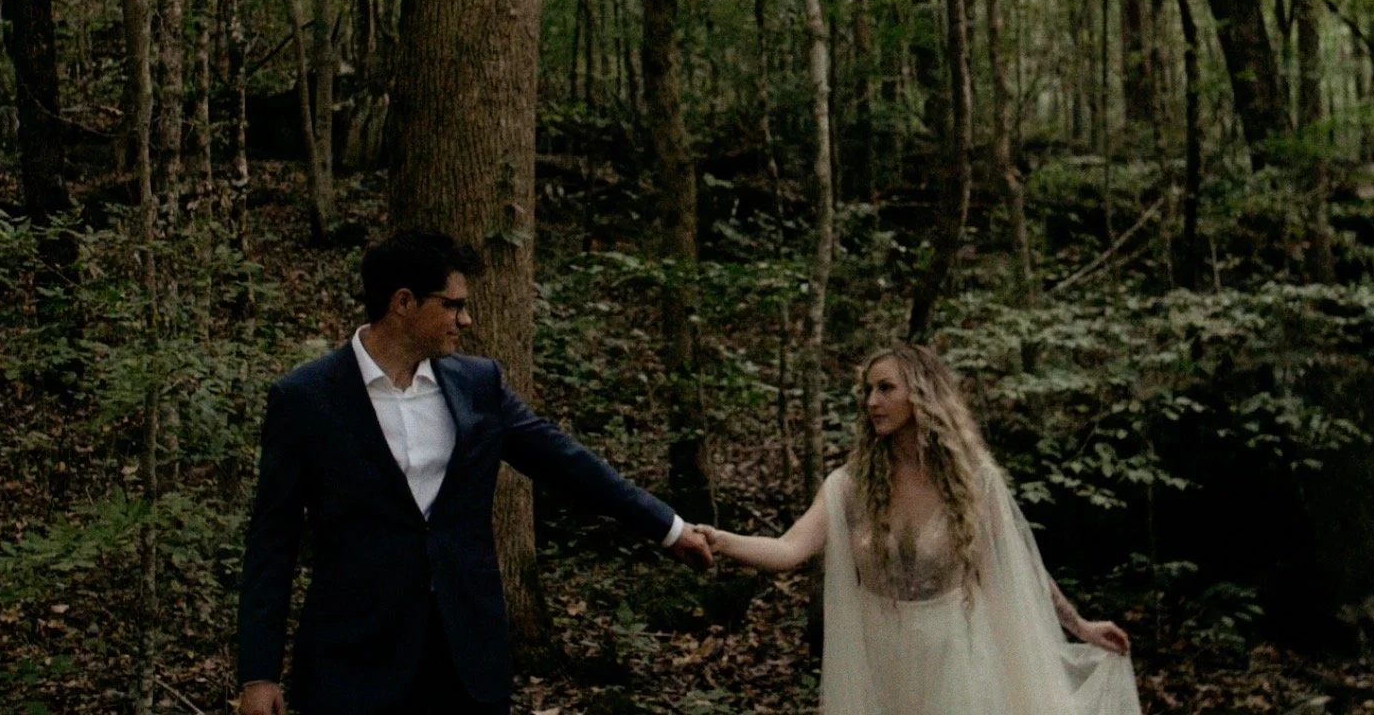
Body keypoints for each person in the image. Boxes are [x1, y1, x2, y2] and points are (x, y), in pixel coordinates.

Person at [237, 230, 714, 715]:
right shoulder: (305, 398)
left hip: (467, 659)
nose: (465, 319)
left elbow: (566, 464)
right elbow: (271, 541)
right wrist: (258, 672)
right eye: (453, 305)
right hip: (353, 664)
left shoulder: (477, 385)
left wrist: (668, 529)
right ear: (404, 302)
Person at [699, 343, 1140, 715]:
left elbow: (1018, 567)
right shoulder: (850, 487)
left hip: (952, 658)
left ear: (923, 394)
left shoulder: (972, 483)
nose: (872, 401)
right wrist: (720, 541)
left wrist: (1079, 625)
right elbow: (787, 550)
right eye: (868, 390)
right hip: (876, 662)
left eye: (886, 388)